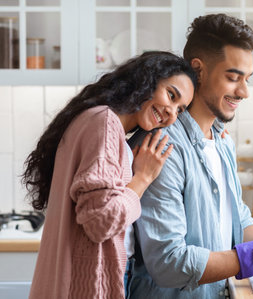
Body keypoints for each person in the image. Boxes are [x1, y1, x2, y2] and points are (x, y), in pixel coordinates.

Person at [128, 14, 253, 299]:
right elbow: (168, 263)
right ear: (198, 70)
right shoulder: (162, 147)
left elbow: (238, 220)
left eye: (247, 79)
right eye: (233, 78)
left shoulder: (222, 142)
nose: (244, 92)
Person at [22, 51, 197, 299]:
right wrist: (143, 178)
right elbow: (100, 221)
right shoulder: (105, 123)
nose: (171, 113)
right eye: (171, 95)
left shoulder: (99, 121)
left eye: (180, 110)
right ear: (146, 80)